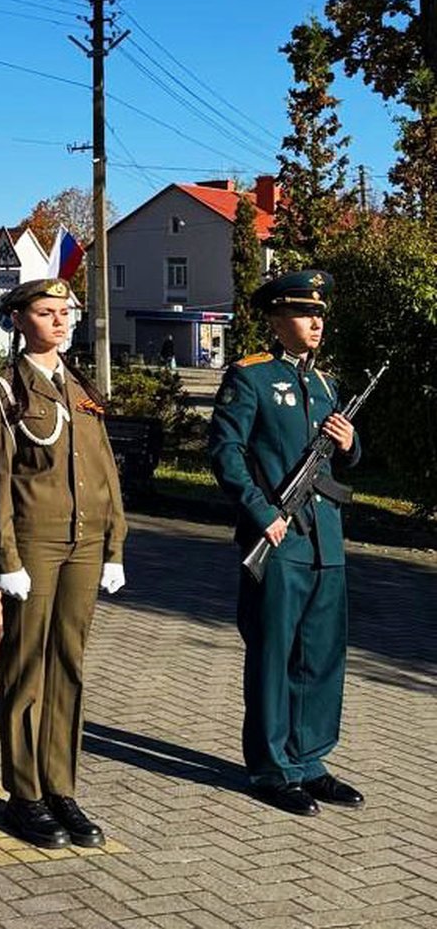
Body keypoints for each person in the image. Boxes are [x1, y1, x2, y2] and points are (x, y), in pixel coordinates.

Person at [0, 278, 127, 849]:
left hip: (85, 542)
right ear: (19, 320)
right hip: (36, 543)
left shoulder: (79, 385)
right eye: (47, 312)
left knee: (69, 662)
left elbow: (106, 471)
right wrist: (6, 557)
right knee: (25, 665)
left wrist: (116, 543)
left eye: (66, 311)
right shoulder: (7, 388)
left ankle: (60, 785)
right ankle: (25, 793)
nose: (61, 321)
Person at [207, 269, 363, 817]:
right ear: (275, 319)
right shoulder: (250, 377)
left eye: (319, 314)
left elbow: (343, 459)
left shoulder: (325, 384)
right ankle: (272, 767)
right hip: (277, 541)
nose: (316, 322)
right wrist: (260, 511)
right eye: (303, 313)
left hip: (325, 543)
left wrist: (350, 444)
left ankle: (310, 761)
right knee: (274, 655)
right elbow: (225, 452)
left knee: (322, 656)